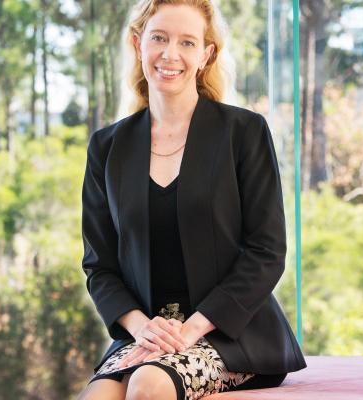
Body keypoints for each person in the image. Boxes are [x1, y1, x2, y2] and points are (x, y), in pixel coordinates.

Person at [76, 1, 306, 399]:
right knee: (98, 396)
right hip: (147, 335)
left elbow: (267, 251)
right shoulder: (107, 147)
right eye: (159, 38)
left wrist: (191, 330)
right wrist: (141, 328)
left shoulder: (244, 132)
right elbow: (100, 266)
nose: (170, 54)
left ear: (206, 55)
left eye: (187, 42)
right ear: (138, 44)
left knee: (148, 385)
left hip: (231, 335)